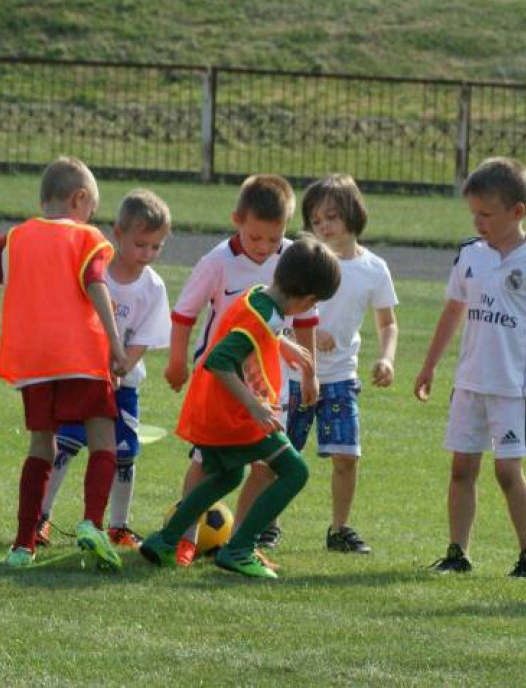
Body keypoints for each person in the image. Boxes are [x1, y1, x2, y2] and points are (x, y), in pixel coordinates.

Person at [0, 156, 130, 570]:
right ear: (79, 199)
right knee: (103, 439)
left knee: (42, 445)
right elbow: (95, 284)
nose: (92, 214)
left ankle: (23, 545)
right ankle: (92, 523)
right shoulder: (85, 237)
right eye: (92, 205)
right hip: (80, 355)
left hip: (33, 362)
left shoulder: (14, 239)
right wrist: (114, 343)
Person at [140, 235, 341, 578]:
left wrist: (282, 346)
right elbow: (219, 359)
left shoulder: (261, 296)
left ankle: (165, 540)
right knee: (295, 471)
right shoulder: (264, 317)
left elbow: (251, 334)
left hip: (214, 409)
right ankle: (239, 548)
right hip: (234, 415)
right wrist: (253, 406)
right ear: (307, 299)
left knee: (229, 474)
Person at [414, 157, 526, 578]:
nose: (478, 221)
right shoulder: (469, 254)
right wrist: (429, 366)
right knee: (462, 468)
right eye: (474, 214)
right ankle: (457, 552)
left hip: (512, 388)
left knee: (507, 471)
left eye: (486, 214)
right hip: (468, 383)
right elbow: (452, 310)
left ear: (517, 211)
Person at [163, 174, 318, 564]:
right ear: (237, 220)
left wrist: (309, 374)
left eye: (274, 237)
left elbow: (305, 320)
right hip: (221, 382)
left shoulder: (292, 260)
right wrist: (177, 362)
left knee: (266, 465)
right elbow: (184, 314)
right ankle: (186, 538)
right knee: (205, 465)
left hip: (269, 386)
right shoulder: (217, 261)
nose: (265, 248)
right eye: (255, 238)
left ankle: (240, 542)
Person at [36, 189, 171, 550]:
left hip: (123, 385)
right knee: (64, 445)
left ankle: (117, 526)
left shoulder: (153, 287)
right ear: (118, 234)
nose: (148, 254)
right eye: (141, 244)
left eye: (156, 247)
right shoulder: (97, 271)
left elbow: (147, 334)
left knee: (124, 454)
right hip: (81, 379)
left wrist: (126, 361)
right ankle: (41, 518)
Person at [287, 175, 398, 553]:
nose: (323, 226)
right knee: (281, 456)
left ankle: (339, 529)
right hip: (294, 376)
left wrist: (386, 357)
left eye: (331, 216)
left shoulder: (374, 268)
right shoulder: (303, 260)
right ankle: (266, 524)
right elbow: (281, 309)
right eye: (316, 220)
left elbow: (388, 322)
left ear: (353, 214)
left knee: (346, 456)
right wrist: (309, 333)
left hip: (340, 378)